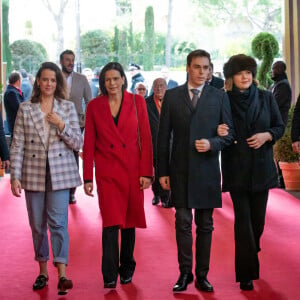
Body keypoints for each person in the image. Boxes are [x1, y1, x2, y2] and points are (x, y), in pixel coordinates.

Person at [157, 49, 234, 293]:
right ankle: (184, 273)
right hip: (178, 169)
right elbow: (162, 137)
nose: (203, 72)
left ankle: (202, 275)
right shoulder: (171, 96)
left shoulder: (219, 97)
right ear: (188, 68)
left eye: (206, 67)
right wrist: (162, 172)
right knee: (182, 221)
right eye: (198, 67)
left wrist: (213, 143)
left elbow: (230, 135)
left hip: (207, 170)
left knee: (205, 224)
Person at [9, 62, 83, 295]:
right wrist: (15, 176)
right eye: (45, 79)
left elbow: (78, 143)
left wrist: (61, 125)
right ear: (38, 82)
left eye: (53, 80)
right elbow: (18, 143)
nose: (49, 83)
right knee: (38, 226)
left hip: (60, 174)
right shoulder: (25, 108)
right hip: (33, 173)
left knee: (59, 223)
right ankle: (42, 271)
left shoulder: (68, 108)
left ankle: (62, 274)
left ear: (57, 83)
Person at [83, 62, 153, 289]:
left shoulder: (138, 101)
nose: (111, 83)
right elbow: (89, 143)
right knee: (111, 223)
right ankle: (109, 273)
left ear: (123, 79)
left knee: (129, 222)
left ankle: (127, 268)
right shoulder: (94, 106)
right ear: (102, 83)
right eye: (107, 80)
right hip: (107, 173)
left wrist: (146, 173)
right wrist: (87, 177)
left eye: (115, 78)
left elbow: (146, 138)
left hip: (132, 171)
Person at [220, 54, 285, 291]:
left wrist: (266, 135)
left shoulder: (266, 97)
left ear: (253, 75)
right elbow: (217, 129)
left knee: (257, 222)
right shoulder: (223, 100)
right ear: (231, 77)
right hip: (236, 167)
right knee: (243, 222)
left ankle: (252, 247)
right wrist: (218, 130)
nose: (245, 76)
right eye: (239, 73)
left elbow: (279, 126)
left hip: (261, 168)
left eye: (248, 72)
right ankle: (246, 273)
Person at [59, 49, 92, 204]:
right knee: (59, 154)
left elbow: (89, 101)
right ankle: (59, 187)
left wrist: (86, 120)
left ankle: (71, 191)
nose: (71, 62)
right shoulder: (54, 77)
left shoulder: (82, 79)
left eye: (72, 60)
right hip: (56, 123)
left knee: (73, 155)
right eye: (67, 60)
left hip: (77, 124)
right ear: (61, 62)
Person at [146, 77, 171, 207]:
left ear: (166, 87)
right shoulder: (146, 102)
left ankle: (166, 197)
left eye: (162, 85)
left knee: (167, 169)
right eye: (156, 86)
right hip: (153, 142)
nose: (159, 88)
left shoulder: (172, 101)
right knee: (155, 171)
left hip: (169, 143)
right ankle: (156, 194)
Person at [270, 60, 292, 188]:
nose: (272, 71)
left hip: (279, 124)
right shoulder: (278, 84)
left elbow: (274, 105)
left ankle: (281, 179)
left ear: (280, 70)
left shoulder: (282, 85)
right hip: (275, 123)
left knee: (276, 152)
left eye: (274, 69)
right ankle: (279, 178)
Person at [3, 72, 24, 140]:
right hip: (16, 125)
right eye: (21, 80)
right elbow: (19, 108)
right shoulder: (11, 93)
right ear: (18, 81)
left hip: (17, 125)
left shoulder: (13, 91)